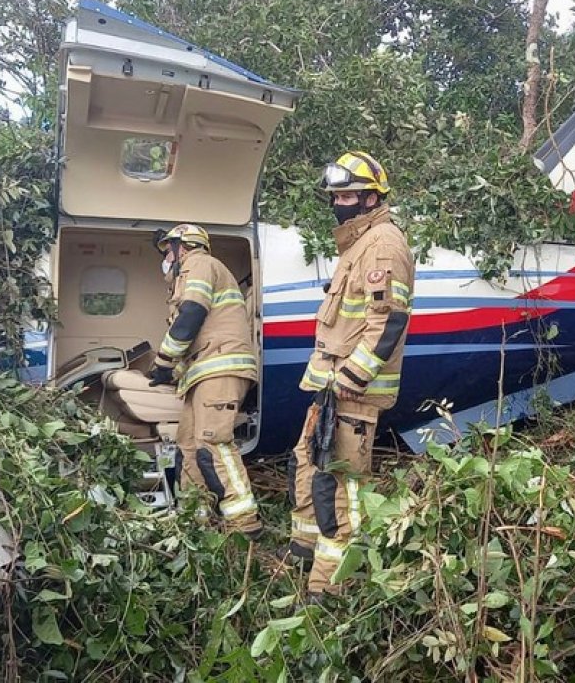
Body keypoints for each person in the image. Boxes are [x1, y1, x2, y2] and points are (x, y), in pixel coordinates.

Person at [280, 151, 414, 599]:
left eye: (349, 194)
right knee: (307, 460)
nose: (340, 202)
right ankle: (305, 549)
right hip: (329, 385)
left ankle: (333, 584)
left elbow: (388, 321)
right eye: (336, 195)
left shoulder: (382, 244)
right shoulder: (357, 244)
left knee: (341, 483)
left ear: (373, 198)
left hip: (350, 389)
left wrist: (350, 380)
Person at [149, 223, 262, 537]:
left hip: (220, 367)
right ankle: (194, 519)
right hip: (202, 372)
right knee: (189, 446)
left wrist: (162, 361)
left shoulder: (198, 263)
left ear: (182, 246)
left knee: (214, 444)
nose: (166, 260)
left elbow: (192, 315)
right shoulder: (190, 273)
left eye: (168, 251)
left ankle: (245, 525)